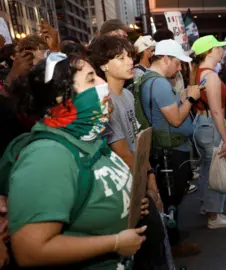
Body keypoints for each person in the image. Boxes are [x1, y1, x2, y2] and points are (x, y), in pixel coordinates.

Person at [1, 52, 147, 268]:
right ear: (63, 99)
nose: (102, 83)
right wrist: (115, 243)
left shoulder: (89, 138)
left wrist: (126, 202)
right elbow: (30, 250)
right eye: (90, 79)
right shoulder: (48, 156)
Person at [136, 39, 203, 256]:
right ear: (165, 58)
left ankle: (170, 239)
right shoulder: (161, 83)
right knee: (171, 199)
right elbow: (175, 119)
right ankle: (172, 245)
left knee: (169, 198)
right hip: (170, 151)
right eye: (177, 62)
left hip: (166, 148)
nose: (179, 67)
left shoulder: (151, 79)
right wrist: (191, 98)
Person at [88, 36, 162, 209]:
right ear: (103, 65)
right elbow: (123, 153)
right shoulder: (105, 101)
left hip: (139, 172)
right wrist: (146, 184)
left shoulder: (128, 95)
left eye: (129, 56)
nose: (130, 62)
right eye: (121, 58)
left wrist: (151, 175)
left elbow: (137, 140)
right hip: (123, 182)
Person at [190, 35, 226, 229]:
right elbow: (217, 111)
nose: (221, 51)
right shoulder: (210, 75)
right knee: (215, 169)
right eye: (218, 48)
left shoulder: (198, 72)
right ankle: (214, 216)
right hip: (210, 123)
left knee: (208, 169)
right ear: (209, 51)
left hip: (202, 124)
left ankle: (207, 207)